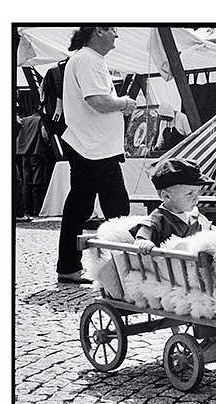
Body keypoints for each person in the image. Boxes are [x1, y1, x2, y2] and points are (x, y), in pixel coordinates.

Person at [56, 27, 137, 284]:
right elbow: (98, 101)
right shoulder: (88, 59)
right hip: (92, 149)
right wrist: (124, 102)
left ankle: (80, 265)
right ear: (99, 31)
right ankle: (123, 268)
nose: (116, 35)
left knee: (103, 207)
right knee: (111, 209)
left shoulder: (87, 58)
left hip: (95, 148)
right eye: (113, 30)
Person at [130, 158, 215, 253]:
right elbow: (139, 241)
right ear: (166, 196)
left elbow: (215, 233)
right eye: (189, 193)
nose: (196, 198)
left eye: (197, 192)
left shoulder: (195, 216)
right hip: (167, 266)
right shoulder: (157, 220)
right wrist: (144, 243)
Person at [16, 108, 52, 216]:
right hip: (37, 151)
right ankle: (37, 209)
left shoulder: (24, 120)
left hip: (24, 153)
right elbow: (44, 136)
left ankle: (27, 209)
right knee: (37, 182)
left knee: (26, 183)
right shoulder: (40, 120)